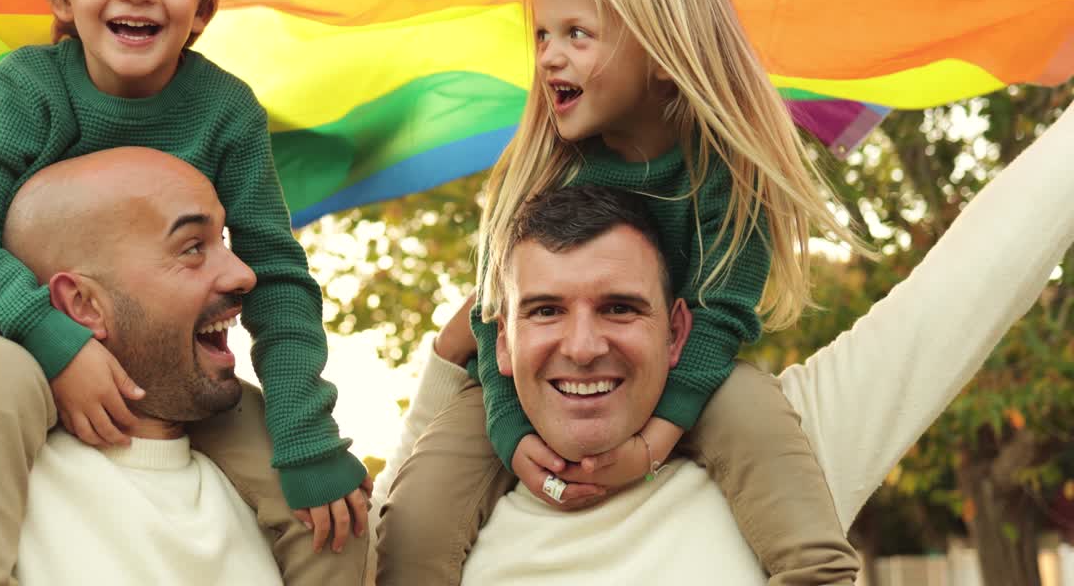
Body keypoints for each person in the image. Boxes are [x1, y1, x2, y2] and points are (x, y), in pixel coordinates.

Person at [0, 0, 368, 584]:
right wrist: (54, 344)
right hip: (32, 350)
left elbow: (276, 276)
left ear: (202, 4)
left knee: (329, 508)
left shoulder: (225, 111)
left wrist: (306, 429)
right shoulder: (31, 88)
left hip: (171, 369)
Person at [379, 0, 865, 585]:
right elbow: (496, 317)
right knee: (420, 511)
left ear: (664, 53)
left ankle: (817, 572)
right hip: (526, 386)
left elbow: (722, 316)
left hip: (689, 365)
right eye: (543, 35)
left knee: (756, 418)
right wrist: (510, 432)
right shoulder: (541, 170)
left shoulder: (730, 171)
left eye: (576, 35)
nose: (549, 57)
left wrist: (654, 442)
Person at [395, 141, 1073, 583]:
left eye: (620, 308)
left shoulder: (790, 444)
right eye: (545, 310)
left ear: (677, 332)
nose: (582, 345)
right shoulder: (431, 512)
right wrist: (446, 366)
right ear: (500, 340)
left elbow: (1008, 238)